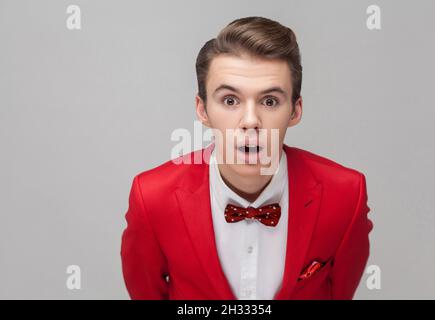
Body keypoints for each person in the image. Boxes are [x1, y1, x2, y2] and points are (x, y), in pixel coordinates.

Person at [120, 16, 373, 300]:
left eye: (270, 101)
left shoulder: (346, 196)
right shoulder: (151, 197)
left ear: (295, 111)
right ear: (202, 110)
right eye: (230, 100)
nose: (250, 120)